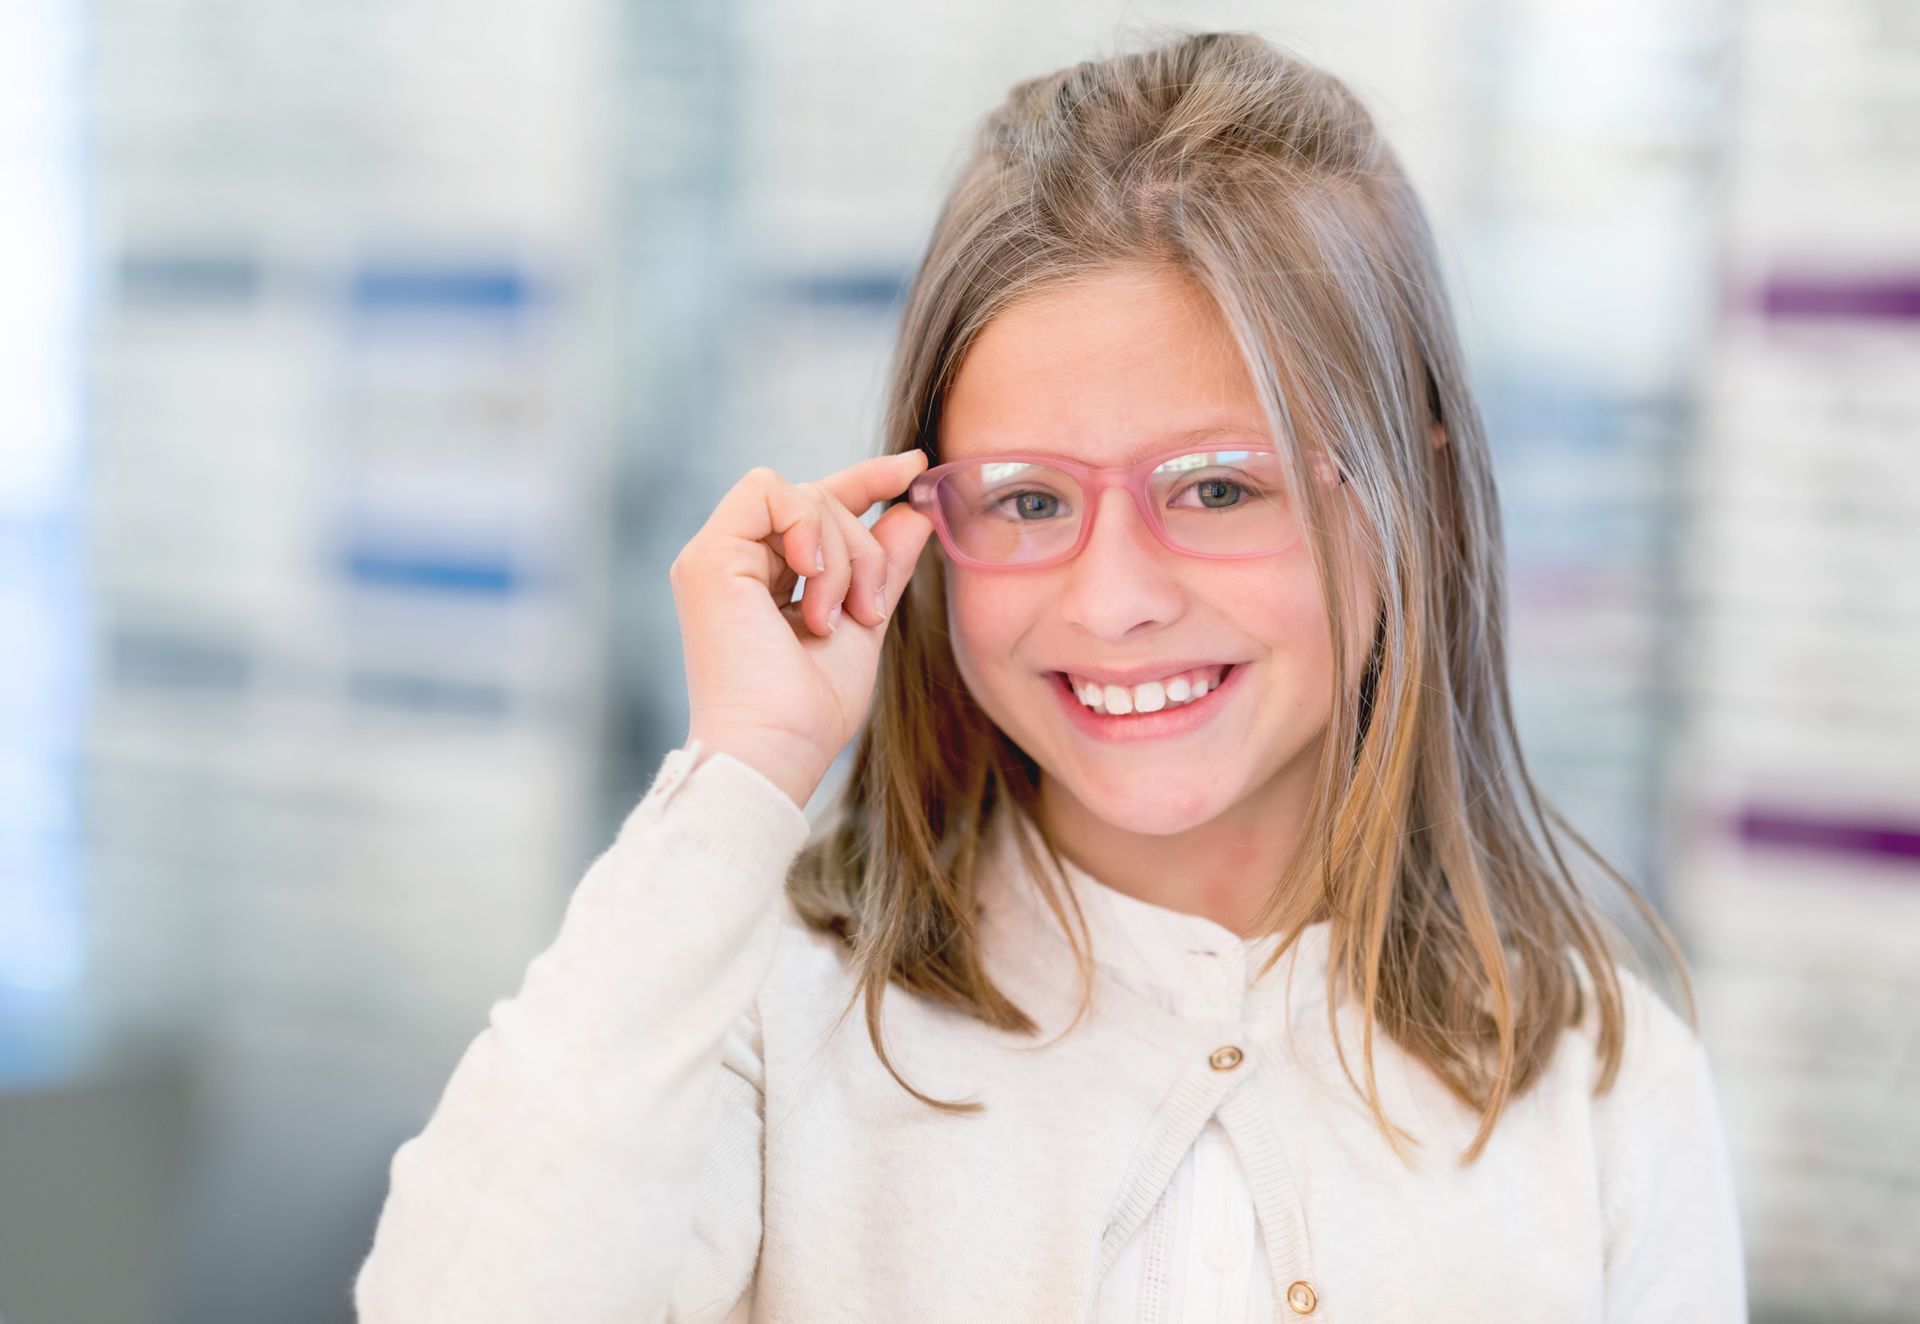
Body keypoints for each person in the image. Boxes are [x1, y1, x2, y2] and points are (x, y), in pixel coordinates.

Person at [353, 28, 1747, 1323]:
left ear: (1421, 504)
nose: (1116, 598)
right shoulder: (769, 1018)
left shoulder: (1603, 1091)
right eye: (1024, 501)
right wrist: (746, 772)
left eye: (1217, 486)